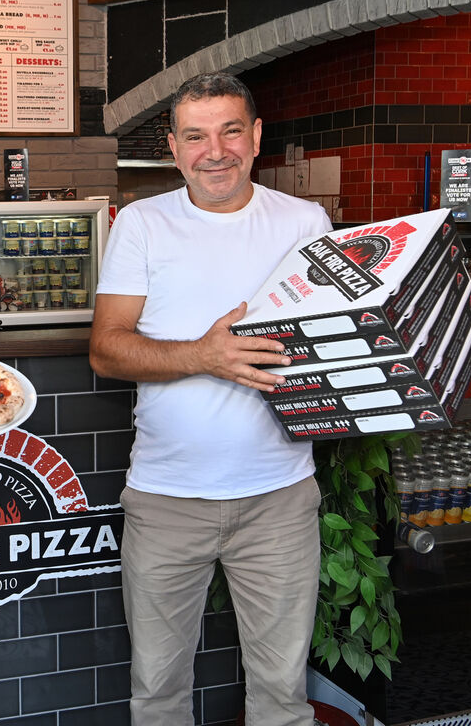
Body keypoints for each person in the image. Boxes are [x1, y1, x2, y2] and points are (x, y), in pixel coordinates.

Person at [90, 71, 332, 726]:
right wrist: (204, 355)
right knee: (159, 693)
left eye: (230, 131)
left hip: (279, 499)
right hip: (168, 500)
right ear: (173, 147)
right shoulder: (141, 223)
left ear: (256, 137)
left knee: (282, 696)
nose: (214, 151)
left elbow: (330, 337)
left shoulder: (305, 220)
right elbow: (107, 349)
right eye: (195, 136)